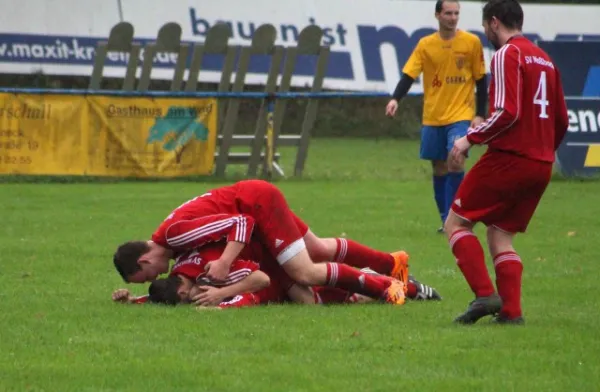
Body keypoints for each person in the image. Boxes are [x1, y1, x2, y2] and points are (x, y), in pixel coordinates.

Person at [444, 0, 569, 325]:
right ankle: (512, 313)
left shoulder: (506, 54)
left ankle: (485, 295)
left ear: (494, 22)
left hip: (509, 159)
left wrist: (468, 138)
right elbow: (562, 120)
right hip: (540, 165)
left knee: (456, 223)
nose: (486, 32)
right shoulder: (545, 60)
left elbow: (507, 112)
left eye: (486, 26)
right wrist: (542, 151)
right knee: (501, 234)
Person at [113, 180, 409, 305]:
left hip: (256, 205)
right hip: (257, 196)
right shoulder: (170, 241)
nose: (157, 277)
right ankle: (392, 263)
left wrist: (226, 262)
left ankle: (386, 288)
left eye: (148, 277)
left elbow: (242, 222)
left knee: (304, 272)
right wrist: (137, 302)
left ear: (144, 261)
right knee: (317, 249)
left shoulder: (174, 236)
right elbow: (174, 290)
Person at [385, 0, 488, 233]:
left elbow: (481, 80)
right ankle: (446, 220)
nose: (453, 18)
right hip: (433, 116)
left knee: (456, 157)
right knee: (439, 167)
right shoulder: (425, 45)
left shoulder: (471, 42)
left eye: (456, 13)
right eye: (448, 13)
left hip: (461, 114)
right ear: (437, 15)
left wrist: (480, 114)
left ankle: (457, 219)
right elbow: (409, 75)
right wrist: (395, 99)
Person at [112, 241, 441, 308]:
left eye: (142, 279)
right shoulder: (183, 259)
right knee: (314, 272)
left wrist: (220, 296)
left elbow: (259, 280)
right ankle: (390, 270)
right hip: (268, 252)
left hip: (271, 239)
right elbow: (169, 293)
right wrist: (136, 301)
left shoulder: (203, 268)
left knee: (310, 276)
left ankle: (397, 284)